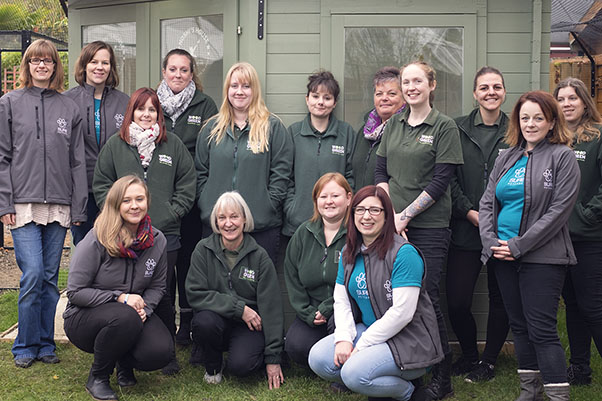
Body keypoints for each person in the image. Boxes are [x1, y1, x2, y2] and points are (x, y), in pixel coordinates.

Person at [479, 90, 580, 401]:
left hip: (543, 258)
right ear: (517, 122)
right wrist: (491, 241)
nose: (531, 124)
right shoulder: (506, 156)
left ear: (551, 122)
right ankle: (530, 392)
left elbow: (558, 211)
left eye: (538, 118)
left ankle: (557, 396)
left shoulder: (563, 157)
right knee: (520, 327)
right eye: (525, 118)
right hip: (502, 256)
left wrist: (519, 245)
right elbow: (486, 203)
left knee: (542, 329)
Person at [375, 60, 463, 400]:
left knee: (425, 298)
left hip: (428, 226)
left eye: (417, 81)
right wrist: (391, 215)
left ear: (431, 85)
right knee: (395, 298)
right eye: (406, 81)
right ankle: (410, 369)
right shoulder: (394, 124)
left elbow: (442, 180)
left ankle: (442, 374)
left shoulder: (444, 126)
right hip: (392, 224)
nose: (411, 87)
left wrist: (406, 216)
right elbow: (380, 172)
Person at [93, 87, 196, 374]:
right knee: (127, 291)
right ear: (131, 113)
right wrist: (116, 214)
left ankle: (167, 353)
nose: (147, 114)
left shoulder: (172, 145)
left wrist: (173, 211)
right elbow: (102, 183)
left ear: (159, 115)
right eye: (141, 109)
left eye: (152, 110)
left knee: (162, 294)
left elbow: (188, 183)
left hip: (166, 235)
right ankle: (123, 351)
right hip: (123, 236)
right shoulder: (116, 145)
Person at [308, 185, 443, 401]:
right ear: (352, 215)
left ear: (387, 215)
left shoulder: (404, 253)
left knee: (353, 373)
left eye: (375, 210)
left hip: (409, 340)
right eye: (360, 210)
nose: (366, 216)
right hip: (372, 331)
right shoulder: (349, 251)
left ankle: (409, 393)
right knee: (318, 359)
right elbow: (341, 301)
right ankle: (376, 379)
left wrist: (361, 346)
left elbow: (402, 314)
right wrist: (344, 338)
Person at [0, 39, 87, 368]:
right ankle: (24, 344)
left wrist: (78, 207)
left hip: (60, 206)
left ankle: (45, 343)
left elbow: (77, 162)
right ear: (27, 65)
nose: (41, 65)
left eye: (47, 60)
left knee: (50, 278)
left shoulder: (68, 108)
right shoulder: (9, 103)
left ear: (55, 66)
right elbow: (2, 157)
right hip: (22, 204)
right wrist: (4, 201)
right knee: (33, 273)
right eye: (35, 60)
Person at [64, 175, 172, 401]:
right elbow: (75, 291)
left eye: (139, 199)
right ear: (116, 204)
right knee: (125, 317)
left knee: (161, 351)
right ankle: (98, 376)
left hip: (132, 313)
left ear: (147, 202)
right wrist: (120, 297)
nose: (134, 206)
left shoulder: (158, 240)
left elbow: (157, 286)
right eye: (127, 200)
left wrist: (146, 310)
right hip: (84, 317)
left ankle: (125, 364)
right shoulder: (97, 238)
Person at [446, 66, 510, 382]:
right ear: (475, 93)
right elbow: (448, 179)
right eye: (484, 87)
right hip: (466, 227)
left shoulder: (516, 130)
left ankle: (489, 361)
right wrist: (469, 212)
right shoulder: (457, 129)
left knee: (502, 298)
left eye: (496, 87)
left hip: (504, 230)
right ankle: (469, 354)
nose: (490, 93)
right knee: (457, 300)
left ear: (504, 92)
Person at [185, 191, 285, 389]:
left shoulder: (259, 256)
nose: (228, 223)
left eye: (234, 216)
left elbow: (271, 307)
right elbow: (195, 293)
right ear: (215, 221)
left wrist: (273, 357)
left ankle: (242, 354)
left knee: (241, 367)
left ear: (244, 219)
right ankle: (213, 366)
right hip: (215, 320)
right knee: (204, 322)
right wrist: (239, 308)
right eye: (222, 218)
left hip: (248, 326)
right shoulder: (202, 250)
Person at [195, 62, 292, 263]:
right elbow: (200, 172)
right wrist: (207, 203)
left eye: (246, 86)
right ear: (227, 90)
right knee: (217, 289)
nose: (239, 92)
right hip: (217, 229)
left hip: (260, 228)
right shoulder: (211, 129)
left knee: (258, 289)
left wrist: (267, 204)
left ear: (254, 90)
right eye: (234, 86)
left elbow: (281, 174)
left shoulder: (273, 128)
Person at [157, 48, 218, 346]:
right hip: (160, 200)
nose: (178, 75)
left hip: (192, 200)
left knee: (189, 260)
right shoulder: (152, 104)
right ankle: (164, 321)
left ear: (192, 74)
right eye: (173, 69)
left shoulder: (205, 105)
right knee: (163, 261)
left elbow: (209, 151)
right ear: (164, 72)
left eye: (184, 70)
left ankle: (188, 322)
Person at [554, 77, 602, 386]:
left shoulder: (596, 138)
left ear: (584, 102)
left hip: (588, 238)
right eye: (561, 99)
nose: (567, 103)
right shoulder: (552, 139)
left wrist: (586, 213)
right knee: (572, 305)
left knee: (593, 306)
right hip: (556, 239)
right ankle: (580, 368)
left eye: (573, 98)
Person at [64, 41, 129, 245]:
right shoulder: (67, 101)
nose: (99, 67)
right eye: (94, 62)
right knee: (86, 248)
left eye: (105, 62)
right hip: (81, 192)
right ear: (84, 65)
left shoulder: (124, 102)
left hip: (115, 191)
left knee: (116, 247)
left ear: (111, 68)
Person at [284, 172, 352, 366]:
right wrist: (307, 312)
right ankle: (325, 359)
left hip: (346, 309)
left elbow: (358, 279)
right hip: (312, 311)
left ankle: (342, 368)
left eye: (335, 196)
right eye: (323, 197)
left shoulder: (357, 233)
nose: (329, 202)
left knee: (338, 324)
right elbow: (292, 276)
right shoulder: (303, 233)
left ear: (348, 198)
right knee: (296, 347)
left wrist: (329, 307)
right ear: (316, 201)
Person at [282, 71, 355, 237]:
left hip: (337, 224)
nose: (320, 102)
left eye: (327, 98)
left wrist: (346, 211)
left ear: (335, 102)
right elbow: (285, 176)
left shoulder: (346, 133)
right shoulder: (293, 133)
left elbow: (351, 177)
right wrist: (292, 208)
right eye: (315, 96)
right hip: (298, 224)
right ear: (307, 99)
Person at [351, 66, 405, 190]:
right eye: (379, 93)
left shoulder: (407, 130)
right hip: (362, 206)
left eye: (392, 93)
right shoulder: (364, 132)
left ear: (404, 98)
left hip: (392, 206)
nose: (384, 98)